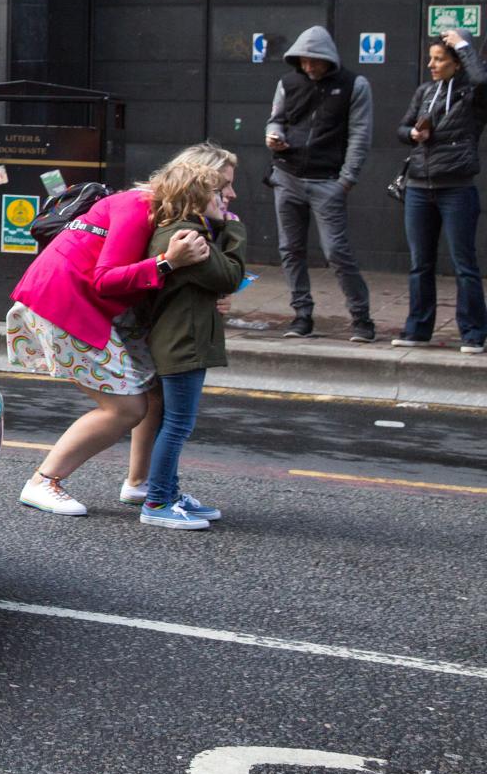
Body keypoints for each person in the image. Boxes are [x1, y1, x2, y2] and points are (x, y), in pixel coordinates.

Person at [6, 143, 223, 517]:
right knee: (126, 408)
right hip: (63, 303)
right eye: (224, 187)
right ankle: (43, 481)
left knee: (153, 391)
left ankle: (140, 484)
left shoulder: (157, 209)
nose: (232, 195)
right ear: (198, 185)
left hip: (85, 304)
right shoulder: (138, 206)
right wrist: (167, 262)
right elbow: (105, 279)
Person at [140, 148, 246, 531]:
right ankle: (157, 502)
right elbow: (230, 275)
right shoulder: (190, 236)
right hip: (183, 343)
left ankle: (168, 492)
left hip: (180, 339)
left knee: (172, 421)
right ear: (200, 193)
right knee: (178, 424)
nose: (229, 198)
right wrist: (233, 227)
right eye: (222, 191)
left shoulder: (178, 229)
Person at [264, 26, 375, 342]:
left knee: (336, 251)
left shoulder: (354, 85)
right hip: (287, 174)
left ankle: (362, 318)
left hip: (328, 180)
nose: (309, 67)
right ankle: (301, 316)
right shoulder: (288, 82)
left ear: (328, 58)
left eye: (314, 61)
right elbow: (276, 119)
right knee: (290, 249)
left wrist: (346, 179)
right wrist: (275, 137)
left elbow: (360, 134)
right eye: (303, 61)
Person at [392, 27, 487, 352]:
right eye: (430, 59)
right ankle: (417, 330)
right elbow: (402, 128)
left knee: (464, 263)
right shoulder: (425, 92)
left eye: (440, 59)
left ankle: (474, 333)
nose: (432, 65)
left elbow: (482, 80)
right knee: (420, 263)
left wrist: (462, 44)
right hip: (419, 185)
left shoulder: (473, 95)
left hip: (456, 187)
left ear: (457, 63)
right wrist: (413, 135)